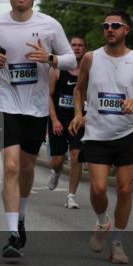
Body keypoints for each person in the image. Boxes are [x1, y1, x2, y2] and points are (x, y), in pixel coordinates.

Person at [0, 0, 77, 257]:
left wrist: (49, 59)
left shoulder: (49, 25)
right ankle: (12, 233)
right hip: (6, 106)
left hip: (37, 108)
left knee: (27, 168)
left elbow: (71, 59)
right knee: (12, 167)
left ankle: (22, 216)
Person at [68, 10, 133, 265]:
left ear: (126, 30)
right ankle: (102, 221)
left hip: (126, 133)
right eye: (106, 25)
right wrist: (78, 114)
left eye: (115, 25)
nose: (110, 29)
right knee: (98, 188)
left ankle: (117, 243)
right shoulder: (91, 58)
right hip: (97, 133)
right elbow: (79, 90)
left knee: (126, 190)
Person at [47, 36, 86, 210]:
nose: (77, 48)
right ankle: (55, 171)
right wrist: (54, 119)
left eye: (80, 45)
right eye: (74, 45)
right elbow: (47, 95)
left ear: (84, 49)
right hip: (58, 120)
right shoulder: (57, 68)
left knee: (77, 156)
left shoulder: (88, 70)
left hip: (78, 120)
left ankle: (71, 196)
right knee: (58, 159)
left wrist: (85, 117)